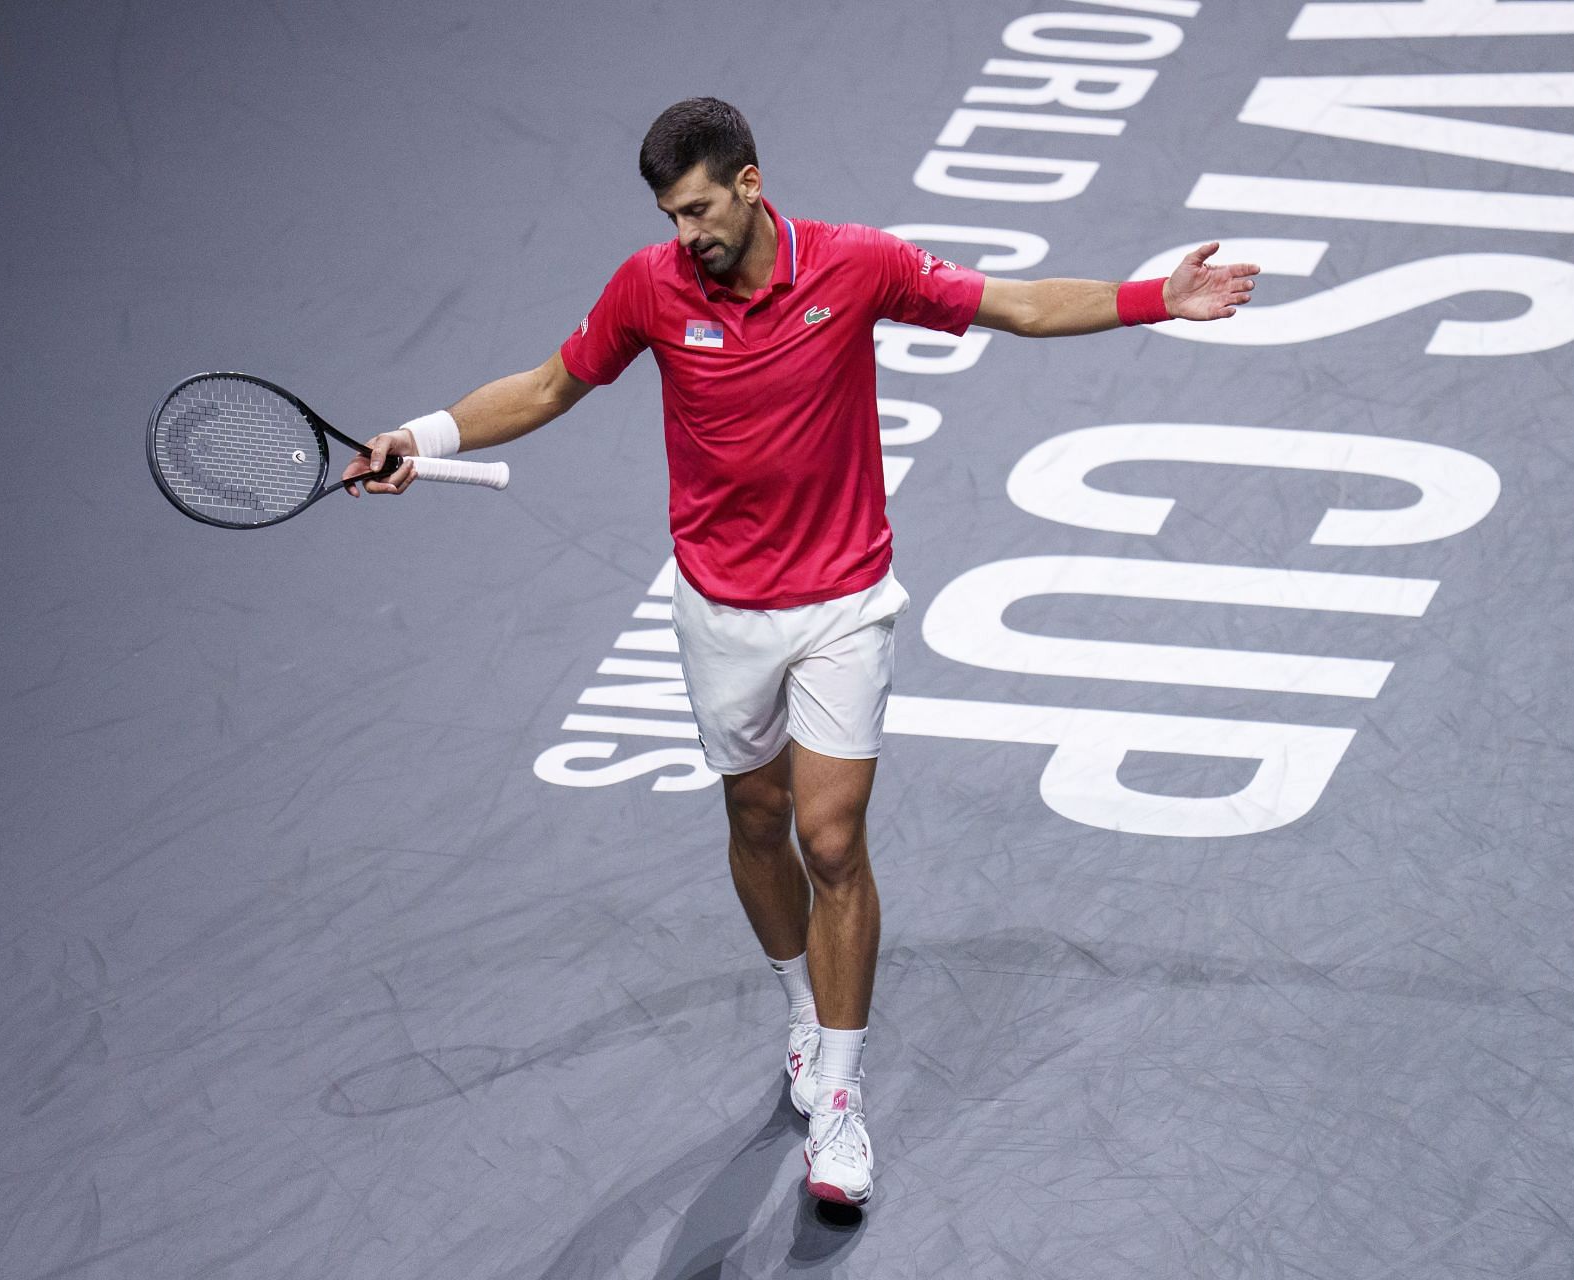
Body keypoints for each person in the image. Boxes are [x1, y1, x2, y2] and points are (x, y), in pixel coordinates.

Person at [345, 97, 1257, 1207]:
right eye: (670, 216)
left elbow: (1014, 303)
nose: (686, 234)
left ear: (750, 182)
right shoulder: (649, 288)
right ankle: (798, 997)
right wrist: (420, 436)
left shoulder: (857, 266)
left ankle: (836, 1087)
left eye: (698, 209)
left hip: (842, 602)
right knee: (754, 820)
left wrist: (1157, 295)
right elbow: (547, 386)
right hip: (720, 608)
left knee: (831, 840)